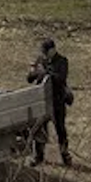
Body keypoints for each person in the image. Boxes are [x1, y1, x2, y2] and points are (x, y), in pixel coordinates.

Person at [28, 38, 72, 166]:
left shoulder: (62, 61)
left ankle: (65, 155)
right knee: (40, 128)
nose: (44, 55)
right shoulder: (40, 60)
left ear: (53, 50)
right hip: (42, 100)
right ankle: (39, 155)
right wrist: (34, 72)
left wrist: (46, 72)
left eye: (46, 52)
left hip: (57, 100)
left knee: (60, 129)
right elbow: (29, 79)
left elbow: (61, 78)